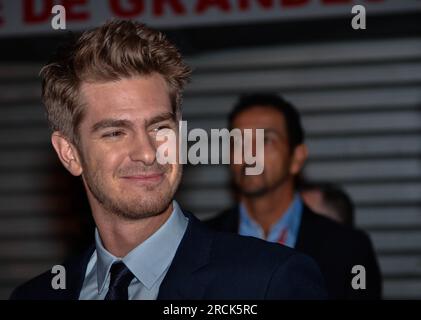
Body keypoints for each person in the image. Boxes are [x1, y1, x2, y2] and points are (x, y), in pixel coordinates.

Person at [10, 20, 326, 300]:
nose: (148, 153)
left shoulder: (269, 282)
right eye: (115, 133)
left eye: (160, 127)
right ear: (70, 153)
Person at [206, 93, 382, 299]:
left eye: (266, 140)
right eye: (238, 141)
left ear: (296, 159)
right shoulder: (200, 243)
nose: (249, 152)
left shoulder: (349, 249)